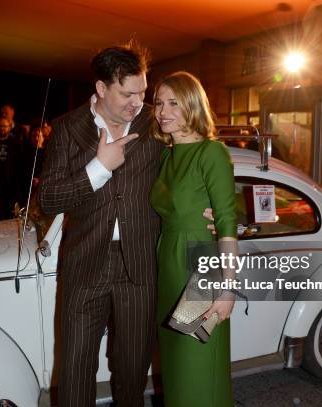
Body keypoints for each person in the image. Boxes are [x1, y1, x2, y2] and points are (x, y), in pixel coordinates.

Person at [38, 43, 163, 407]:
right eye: (127, 93)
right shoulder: (65, 129)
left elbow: (188, 164)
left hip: (139, 264)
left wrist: (202, 205)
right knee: (75, 366)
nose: (137, 103)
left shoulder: (155, 123)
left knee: (132, 367)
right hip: (84, 263)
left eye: (142, 92)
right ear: (101, 88)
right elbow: (49, 200)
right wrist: (99, 168)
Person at [149, 71, 237, 406]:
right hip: (169, 267)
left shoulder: (211, 153)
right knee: (175, 373)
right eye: (159, 103)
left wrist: (228, 287)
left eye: (173, 103)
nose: (162, 111)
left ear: (192, 105)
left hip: (202, 271)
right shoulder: (167, 156)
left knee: (197, 370)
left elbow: (227, 222)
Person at [0, 117, 22, 221]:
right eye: (0, 126)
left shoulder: (15, 143)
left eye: (5, 126)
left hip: (10, 182)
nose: (2, 128)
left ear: (9, 128)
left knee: (9, 210)